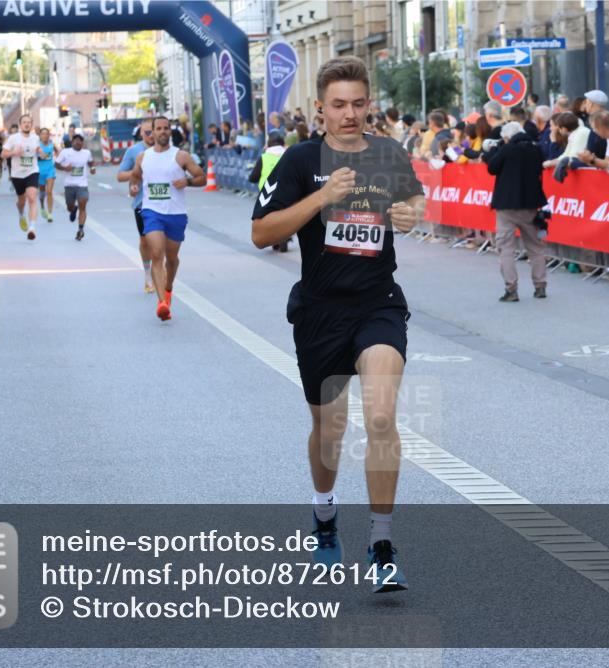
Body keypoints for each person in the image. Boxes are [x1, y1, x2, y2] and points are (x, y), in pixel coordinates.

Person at [250, 56, 425, 592]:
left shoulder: (389, 153)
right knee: (330, 431)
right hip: (320, 310)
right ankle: (324, 516)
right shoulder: (299, 159)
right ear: (320, 109)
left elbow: (413, 199)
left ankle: (381, 542)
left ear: (368, 104)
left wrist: (410, 212)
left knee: (378, 418)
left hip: (378, 304)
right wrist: (322, 198)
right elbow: (260, 233)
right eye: (338, 105)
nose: (349, 114)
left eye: (358, 103)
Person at [132, 116, 207, 321]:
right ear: (152, 133)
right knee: (157, 253)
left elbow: (202, 178)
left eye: (166, 128)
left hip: (175, 213)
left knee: (171, 259)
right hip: (152, 211)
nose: (163, 131)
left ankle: (168, 289)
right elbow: (135, 175)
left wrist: (187, 181)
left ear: (170, 131)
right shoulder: (143, 157)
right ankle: (162, 303)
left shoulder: (181, 156)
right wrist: (133, 186)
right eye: (159, 128)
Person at [487, 118, 547, 301]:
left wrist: (495, 150)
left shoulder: (507, 149)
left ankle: (511, 289)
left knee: (506, 249)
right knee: (535, 248)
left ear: (506, 137)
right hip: (530, 204)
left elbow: (492, 168)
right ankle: (540, 286)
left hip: (506, 206)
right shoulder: (536, 149)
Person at [118, 118, 157, 292]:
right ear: (142, 134)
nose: (151, 136)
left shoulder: (167, 151)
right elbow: (120, 176)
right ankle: (148, 276)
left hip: (164, 202)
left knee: (161, 241)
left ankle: (160, 274)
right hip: (142, 201)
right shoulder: (134, 151)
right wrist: (135, 173)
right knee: (145, 241)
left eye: (153, 132)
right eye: (147, 132)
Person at [0, 114, 41, 240]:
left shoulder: (35, 138)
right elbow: (2, 154)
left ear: (31, 125)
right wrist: (14, 152)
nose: (27, 124)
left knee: (32, 197)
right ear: (20, 125)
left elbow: (37, 149)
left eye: (29, 122)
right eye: (24, 122)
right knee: (21, 201)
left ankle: (32, 228)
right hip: (17, 174)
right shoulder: (13, 138)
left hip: (32, 171)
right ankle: (21, 213)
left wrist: (41, 153)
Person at [248, 132, 290, 251]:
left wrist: (252, 178)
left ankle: (273, 237)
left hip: (267, 192)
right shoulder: (288, 155)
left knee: (265, 216)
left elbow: (254, 176)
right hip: (287, 191)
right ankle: (286, 236)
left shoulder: (264, 157)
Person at [54, 133, 95, 240]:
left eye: (80, 140)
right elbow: (56, 164)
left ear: (82, 143)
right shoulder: (65, 152)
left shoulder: (87, 153)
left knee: (83, 203)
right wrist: (65, 168)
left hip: (82, 184)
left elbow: (91, 162)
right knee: (69, 206)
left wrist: (92, 168)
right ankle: (73, 209)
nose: (78, 142)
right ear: (72, 142)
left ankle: (80, 229)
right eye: (76, 140)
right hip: (69, 185)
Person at [545, 112, 590, 182]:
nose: (559, 131)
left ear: (564, 129)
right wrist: (550, 162)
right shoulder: (574, 133)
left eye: (559, 128)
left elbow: (572, 156)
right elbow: (566, 154)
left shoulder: (581, 133)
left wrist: (550, 163)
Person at [37, 128, 57, 223]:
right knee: (42, 193)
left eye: (46, 134)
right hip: (40, 172)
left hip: (50, 171)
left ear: (49, 135)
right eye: (43, 134)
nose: (45, 136)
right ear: (40, 136)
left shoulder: (52, 145)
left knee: (49, 191)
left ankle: (50, 214)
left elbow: (59, 152)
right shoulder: (37, 146)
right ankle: (42, 207)